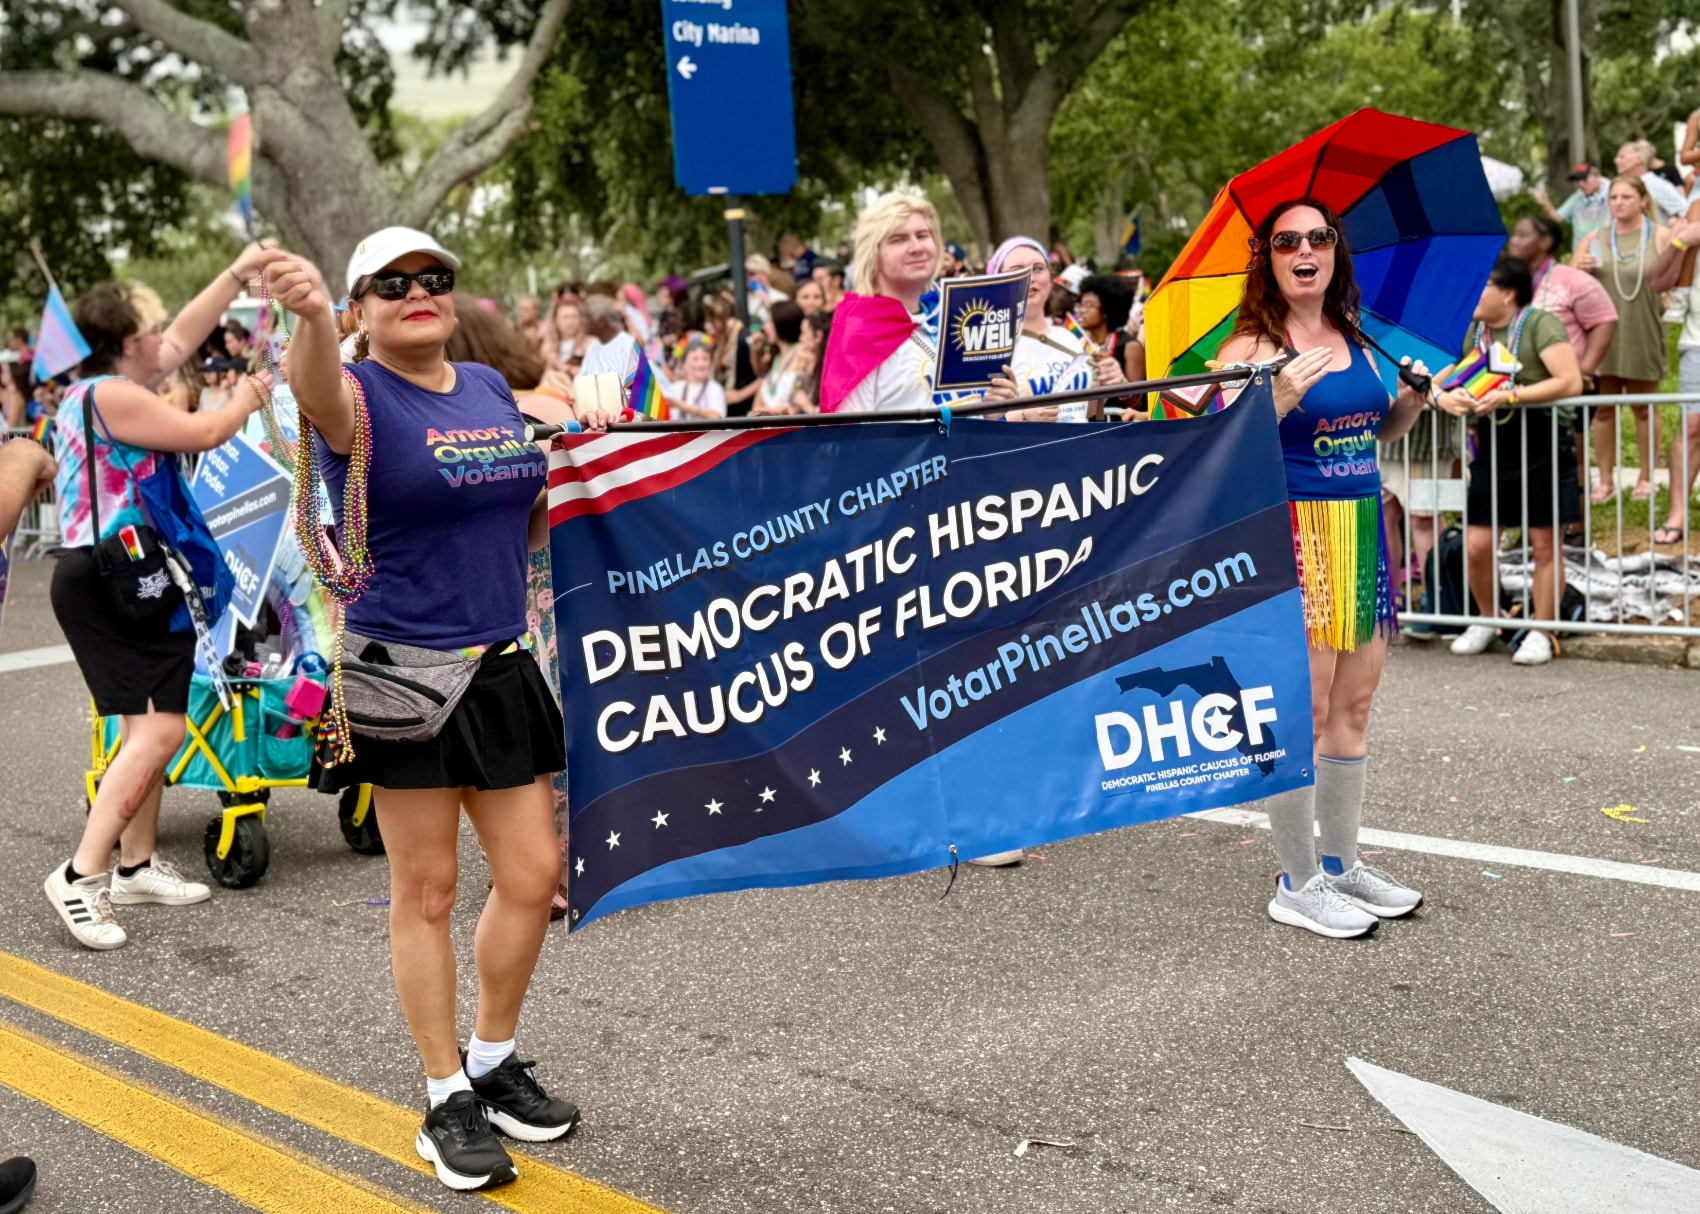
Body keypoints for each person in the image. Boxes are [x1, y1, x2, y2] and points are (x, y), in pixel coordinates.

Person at [263, 228, 593, 1192]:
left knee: (532, 878)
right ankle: (444, 1094)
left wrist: (579, 459)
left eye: (435, 280)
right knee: (430, 891)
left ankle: (492, 1061)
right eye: (393, 284)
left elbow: (522, 522)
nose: (420, 293)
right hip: (403, 671)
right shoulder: (356, 394)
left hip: (499, 662)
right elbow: (311, 380)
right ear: (363, 308)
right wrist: (315, 312)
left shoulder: (491, 392)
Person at [1213, 198, 1430, 939]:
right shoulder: (1248, 349)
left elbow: (1381, 430)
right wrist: (1272, 399)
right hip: (1295, 531)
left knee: (1354, 706)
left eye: (1320, 237)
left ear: (1337, 250)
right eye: (1287, 240)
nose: (1306, 249)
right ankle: (1296, 879)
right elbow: (1225, 451)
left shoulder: (1361, 338)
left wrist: (1412, 402)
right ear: (1267, 258)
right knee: (1300, 712)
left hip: (1363, 528)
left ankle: (1341, 865)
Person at [44, 272, 273, 952]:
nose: (161, 336)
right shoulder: (109, 393)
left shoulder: (108, 388)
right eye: (147, 328)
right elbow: (203, 433)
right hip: (114, 576)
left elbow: (182, 338)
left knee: (144, 726)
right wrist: (254, 391)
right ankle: (81, 876)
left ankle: (137, 866)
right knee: (159, 733)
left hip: (138, 574)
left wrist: (237, 272)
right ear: (121, 341)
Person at [1441, 257, 1585, 666]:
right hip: (1494, 446)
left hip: (1543, 444)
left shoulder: (1540, 324)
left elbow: (1570, 381)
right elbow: (1449, 374)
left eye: (1483, 285)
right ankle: (1488, 619)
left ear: (1508, 293)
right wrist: (1435, 392)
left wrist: (1513, 395)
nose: (1474, 293)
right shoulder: (1476, 332)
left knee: (1544, 545)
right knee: (1476, 544)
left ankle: (1542, 630)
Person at [1573, 176, 1674, 502]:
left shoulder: (1660, 235)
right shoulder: (1594, 238)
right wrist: (1582, 269)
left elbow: (1675, 281)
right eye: (1614, 197)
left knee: (1643, 408)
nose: (1618, 202)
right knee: (1603, 411)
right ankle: (1605, 480)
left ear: (1643, 200)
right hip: (1602, 337)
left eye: (1627, 196)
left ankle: (1647, 478)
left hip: (1641, 330)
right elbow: (1569, 285)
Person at [982, 236, 1126, 422]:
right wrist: (1025, 416)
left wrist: (1106, 382)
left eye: (1038, 269)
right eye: (1017, 270)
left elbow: (1084, 410)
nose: (1030, 277)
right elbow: (978, 426)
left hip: (1076, 449)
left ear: (1050, 279)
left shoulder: (1068, 338)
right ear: (997, 282)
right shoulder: (989, 346)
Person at [1077, 274, 1146, 385]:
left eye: (1088, 305)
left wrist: (1118, 379)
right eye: (1080, 305)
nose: (1081, 310)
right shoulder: (1078, 344)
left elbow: (1136, 400)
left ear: (1106, 310)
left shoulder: (1130, 347)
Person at [751, 301, 814, 416]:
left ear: (783, 321)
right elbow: (756, 406)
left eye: (769, 322)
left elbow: (799, 405)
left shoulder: (802, 354)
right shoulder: (774, 359)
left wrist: (768, 412)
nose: (764, 327)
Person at [1532, 163, 1610, 248]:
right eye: (1577, 181)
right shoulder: (1577, 198)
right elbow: (1556, 218)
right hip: (1580, 256)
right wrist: (1544, 203)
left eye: (1584, 179)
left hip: (1607, 253)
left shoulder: (1614, 194)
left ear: (1597, 176)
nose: (1581, 184)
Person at [1615, 141, 1686, 223]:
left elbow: (1684, 211)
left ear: (1639, 159)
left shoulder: (1656, 185)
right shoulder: (1622, 185)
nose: (1616, 161)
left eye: (1622, 157)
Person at [577, 293, 640, 383]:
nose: (580, 322)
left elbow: (637, 386)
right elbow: (583, 381)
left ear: (601, 322)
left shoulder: (628, 345)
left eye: (585, 318)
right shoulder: (593, 348)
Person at [665, 333, 728, 420]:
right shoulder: (674, 388)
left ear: (710, 363)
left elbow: (716, 416)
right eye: (695, 359)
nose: (700, 364)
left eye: (705, 358)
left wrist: (678, 404)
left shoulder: (715, 388)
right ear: (684, 364)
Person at [544, 295, 590, 376]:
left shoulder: (590, 343)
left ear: (581, 319)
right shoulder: (549, 345)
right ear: (556, 320)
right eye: (565, 317)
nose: (570, 322)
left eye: (574, 317)